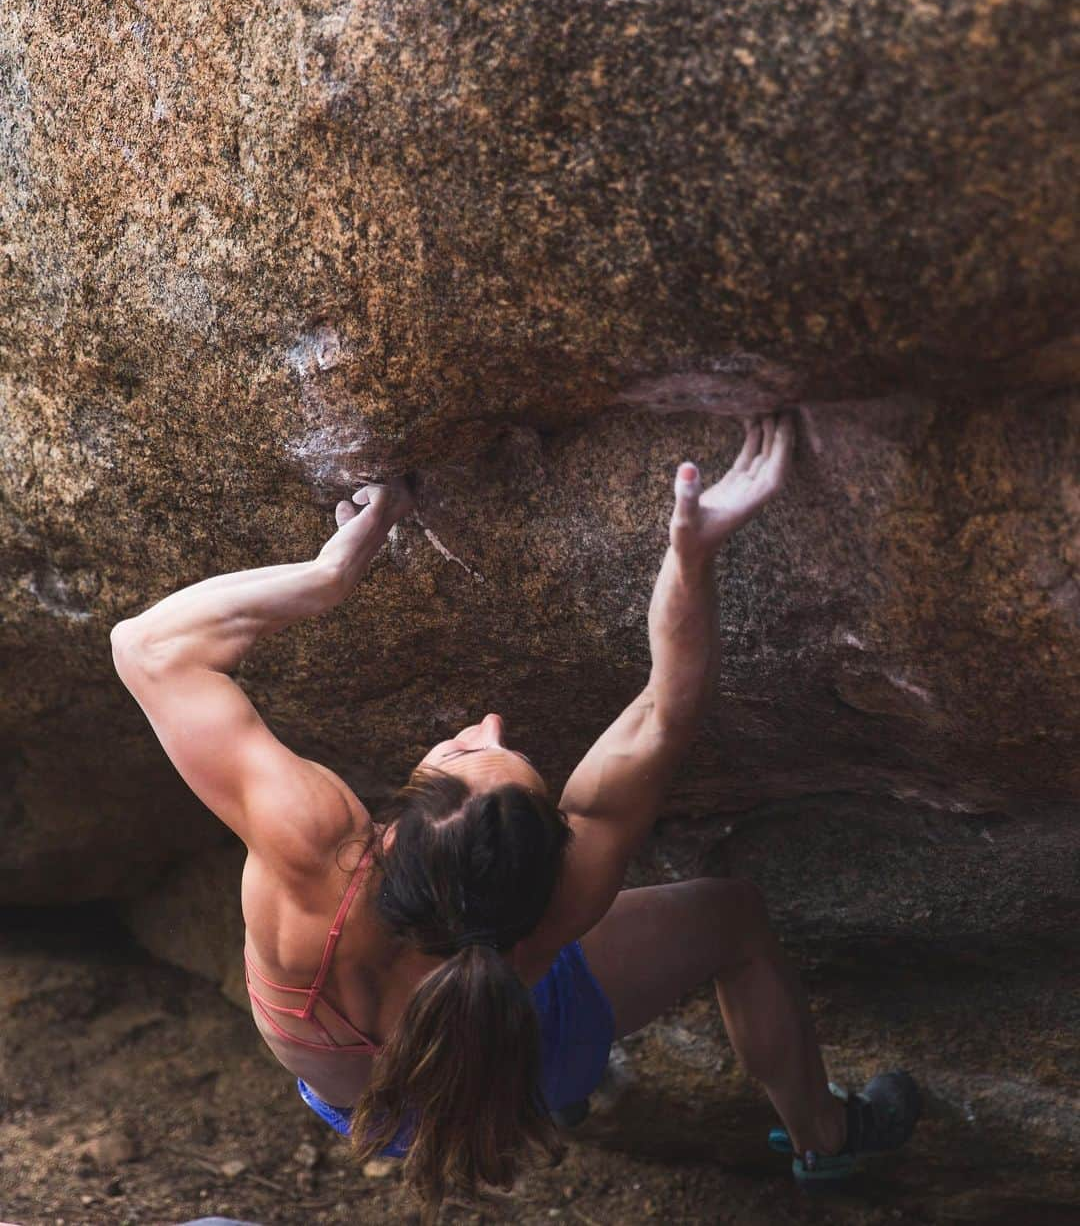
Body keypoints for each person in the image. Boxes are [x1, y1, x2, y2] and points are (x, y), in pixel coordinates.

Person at [111, 412, 920, 1221]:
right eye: (480, 746)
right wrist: (692, 555)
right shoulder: (558, 906)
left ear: (397, 827)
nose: (488, 723)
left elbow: (147, 649)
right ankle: (825, 1135)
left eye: (468, 749)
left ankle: (514, 1078)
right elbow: (666, 711)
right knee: (734, 916)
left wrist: (329, 575)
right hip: (536, 1066)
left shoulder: (307, 850)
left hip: (370, 1107)